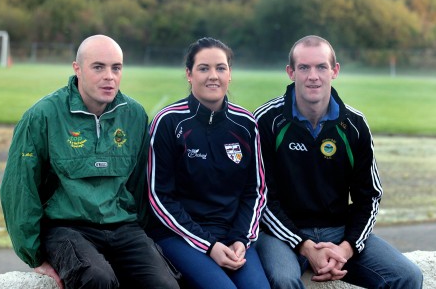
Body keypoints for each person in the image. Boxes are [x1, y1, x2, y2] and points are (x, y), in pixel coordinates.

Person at [0, 34, 180, 289]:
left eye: (116, 67)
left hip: (123, 228)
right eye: (98, 67)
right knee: (98, 279)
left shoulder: (134, 115)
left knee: (165, 285)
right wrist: (34, 255)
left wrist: (138, 237)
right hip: (66, 228)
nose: (109, 76)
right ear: (77, 69)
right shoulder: (43, 116)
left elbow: (139, 185)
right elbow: (19, 189)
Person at [253, 35, 423, 289]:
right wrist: (305, 246)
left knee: (408, 276)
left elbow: (370, 196)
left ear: (335, 71)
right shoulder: (266, 121)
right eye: (304, 67)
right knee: (282, 279)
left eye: (321, 67)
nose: (313, 76)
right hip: (281, 235)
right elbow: (263, 198)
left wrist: (347, 248)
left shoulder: (354, 124)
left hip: (338, 231)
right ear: (291, 72)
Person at [146, 37, 270, 289]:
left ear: (229, 74)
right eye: (204, 68)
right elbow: (159, 197)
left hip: (232, 236)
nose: (213, 76)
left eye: (220, 68)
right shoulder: (168, 122)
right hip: (179, 235)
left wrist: (240, 239)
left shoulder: (246, 124)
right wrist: (208, 245)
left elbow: (255, 192)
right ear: (189, 74)